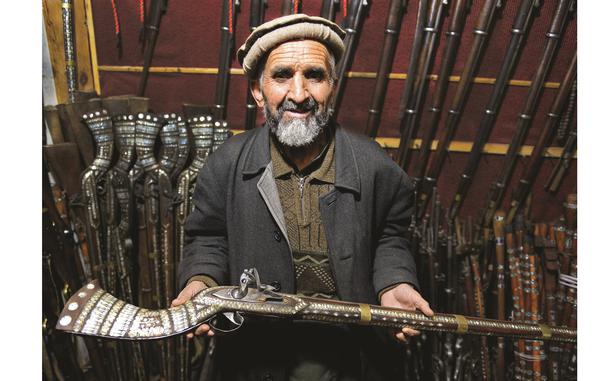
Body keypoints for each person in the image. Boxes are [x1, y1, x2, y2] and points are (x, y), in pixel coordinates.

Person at [173, 14, 433, 381]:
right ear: (258, 90)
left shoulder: (374, 164)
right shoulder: (226, 163)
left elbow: (390, 237)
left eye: (314, 75)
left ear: (333, 85)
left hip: (349, 355)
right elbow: (209, 238)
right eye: (281, 76)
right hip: (256, 356)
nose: (298, 94)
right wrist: (202, 282)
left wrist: (395, 284)